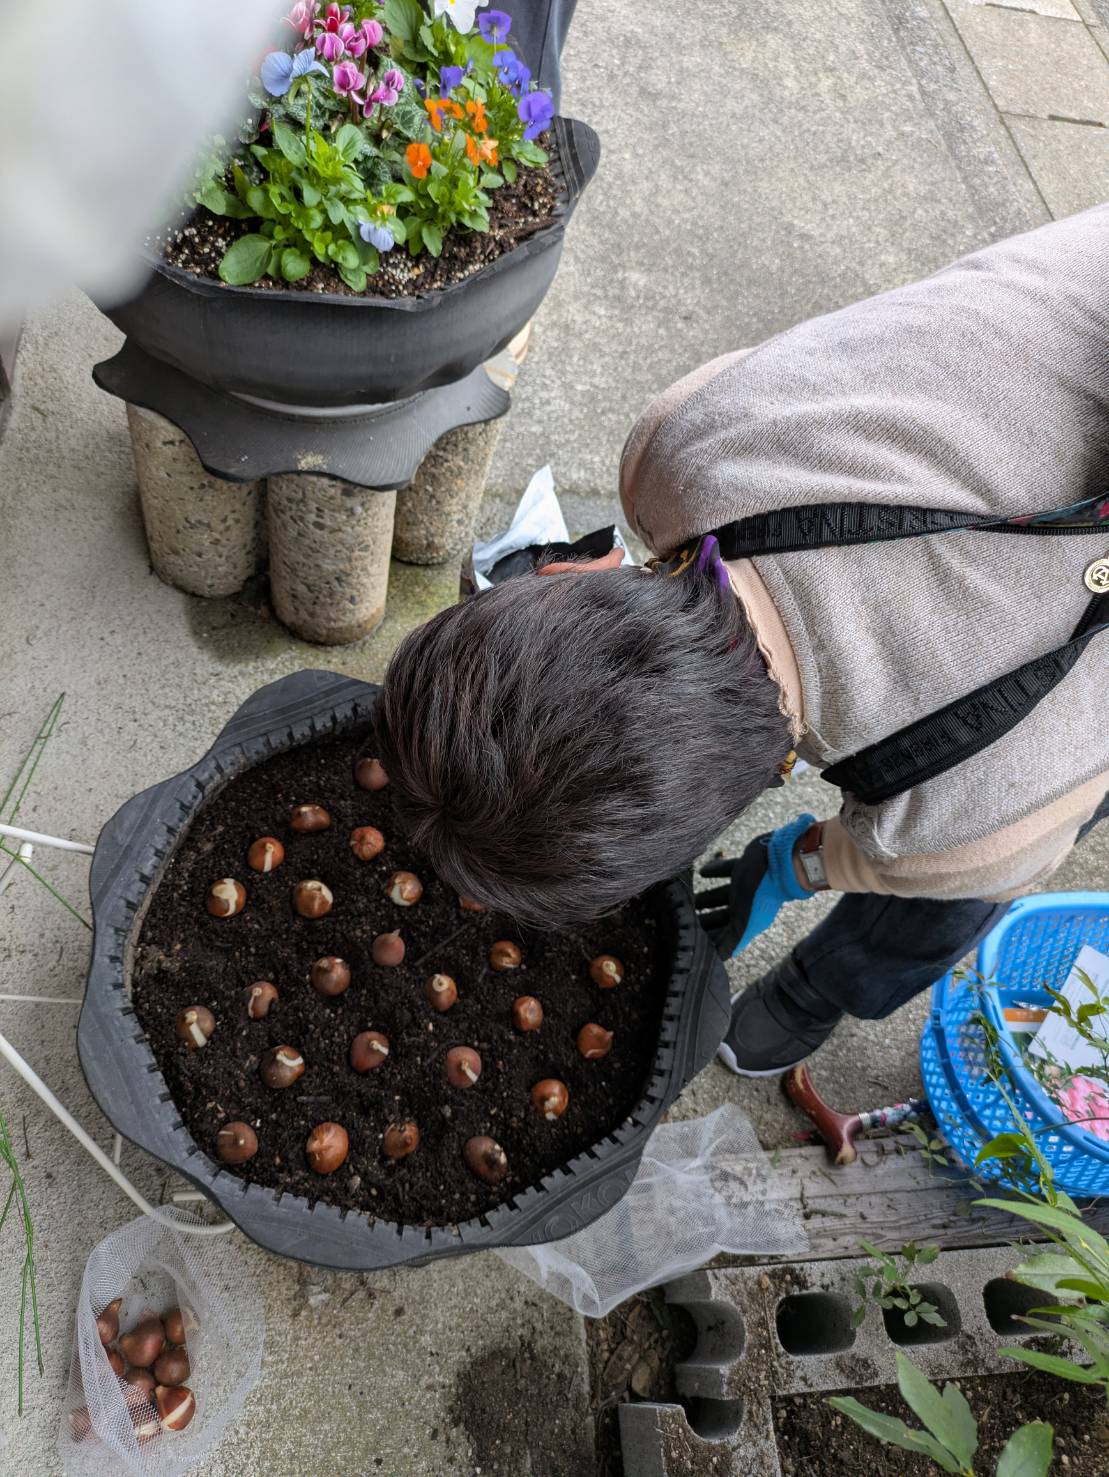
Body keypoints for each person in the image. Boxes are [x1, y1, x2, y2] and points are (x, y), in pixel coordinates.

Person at [374, 205, 1109, 1077]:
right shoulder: (685, 446)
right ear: (564, 577)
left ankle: (818, 990)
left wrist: (809, 861)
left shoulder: (972, 819)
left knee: (935, 899)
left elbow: (922, 859)